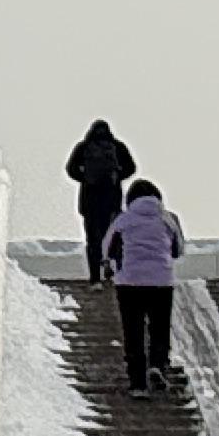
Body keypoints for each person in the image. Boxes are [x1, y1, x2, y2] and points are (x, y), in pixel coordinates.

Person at [103, 179, 183, 392]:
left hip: (129, 282)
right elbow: (178, 250)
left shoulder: (123, 220)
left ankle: (138, 384)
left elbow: (108, 249)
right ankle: (157, 365)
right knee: (160, 329)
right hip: (161, 282)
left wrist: (111, 265)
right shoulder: (168, 219)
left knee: (134, 332)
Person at [65, 121, 136, 274]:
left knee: (92, 239)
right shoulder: (117, 146)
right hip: (112, 199)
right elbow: (131, 168)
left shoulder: (83, 147)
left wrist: (85, 178)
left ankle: (95, 278)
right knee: (114, 237)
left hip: (89, 200)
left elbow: (70, 169)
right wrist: (117, 176)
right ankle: (113, 269)